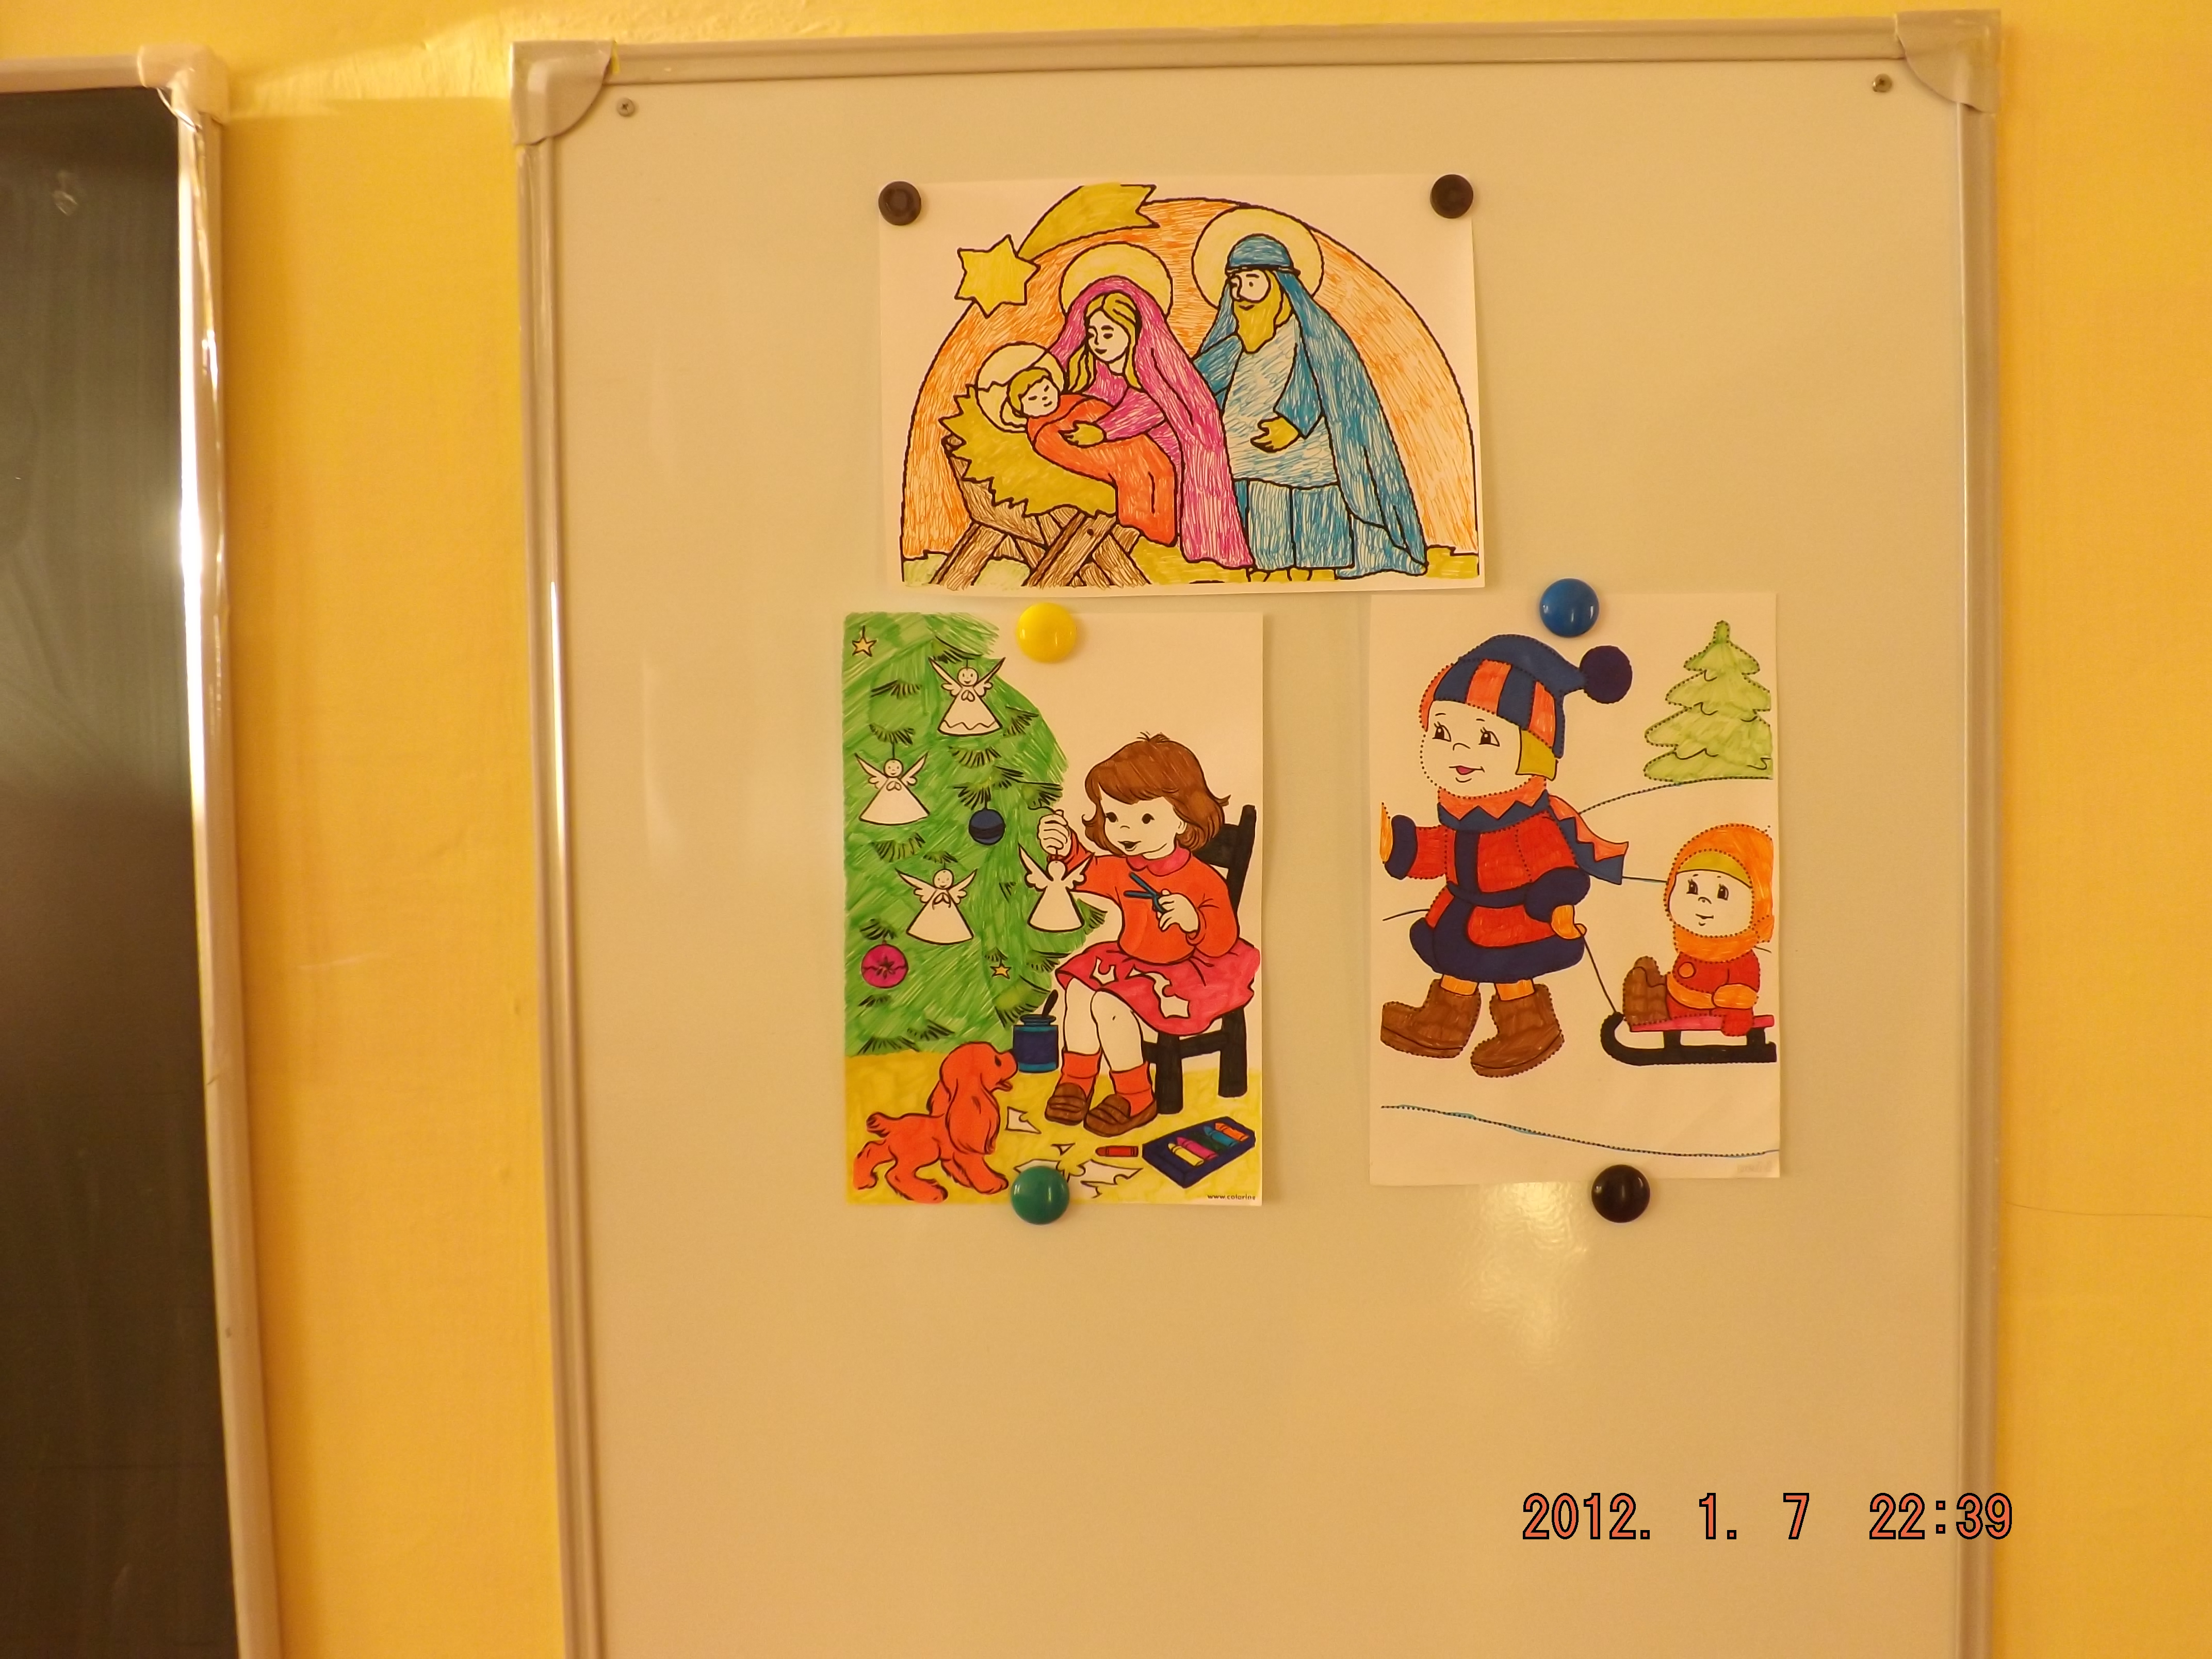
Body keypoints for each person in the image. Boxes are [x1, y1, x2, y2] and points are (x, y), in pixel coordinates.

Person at [1377, 636, 1632, 1077]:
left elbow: (1556, 866)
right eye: (1443, 732)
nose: (1459, 751)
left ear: (1532, 752)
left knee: (1510, 977)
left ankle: (1529, 1030)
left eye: (1485, 738)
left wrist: (1558, 906)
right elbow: (1439, 850)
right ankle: (1441, 1027)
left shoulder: (1529, 821)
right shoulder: (1459, 813)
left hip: (1513, 919)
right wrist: (1398, 845)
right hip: (1461, 911)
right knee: (1456, 969)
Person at [1033, 735, 1259, 1135]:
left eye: (1146, 819)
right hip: (1133, 962)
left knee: (1107, 1003)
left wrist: (1193, 922)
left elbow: (1222, 939)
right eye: (1114, 817)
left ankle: (1136, 1095)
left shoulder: (1201, 878)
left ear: (1183, 819)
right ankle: (1077, 1081)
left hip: (1187, 971)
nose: (1124, 830)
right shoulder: (1127, 867)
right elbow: (1088, 872)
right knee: (1080, 991)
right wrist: (1065, 848)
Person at [1194, 233, 1428, 578]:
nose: (1241, 293)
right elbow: (1195, 381)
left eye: (1252, 282)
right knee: (1266, 529)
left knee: (1316, 531)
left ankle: (1319, 570)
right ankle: (1271, 569)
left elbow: (1320, 377)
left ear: (1280, 285)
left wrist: (1293, 422)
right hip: (1252, 462)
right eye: (1236, 283)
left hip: (1307, 462)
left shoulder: (1309, 336)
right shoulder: (1237, 344)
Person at [1039, 279, 1251, 571]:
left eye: (1108, 333)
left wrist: (1103, 430)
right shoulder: (1104, 372)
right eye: (1093, 333)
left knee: (1143, 474)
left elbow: (1151, 404)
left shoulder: (1152, 366)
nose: (1098, 342)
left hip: (1172, 454)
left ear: (1133, 331)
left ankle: (1145, 542)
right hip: (1134, 446)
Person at [1622, 825, 1775, 1036]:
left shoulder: (1739, 959)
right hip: (1676, 1015)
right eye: (1692, 888)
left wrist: (1737, 1014)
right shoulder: (1689, 949)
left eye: (1722, 893)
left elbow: (1741, 994)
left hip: (1710, 1022)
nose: (1703, 901)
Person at [1007, 363, 1178, 546]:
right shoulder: (1043, 433)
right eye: (1033, 398)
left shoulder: (1074, 400)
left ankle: (1167, 537)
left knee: (1163, 472)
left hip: (1137, 447)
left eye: (1046, 389)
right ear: (1022, 411)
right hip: (1119, 461)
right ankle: (1144, 541)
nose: (1044, 398)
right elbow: (1081, 456)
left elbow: (1105, 413)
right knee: (1137, 487)